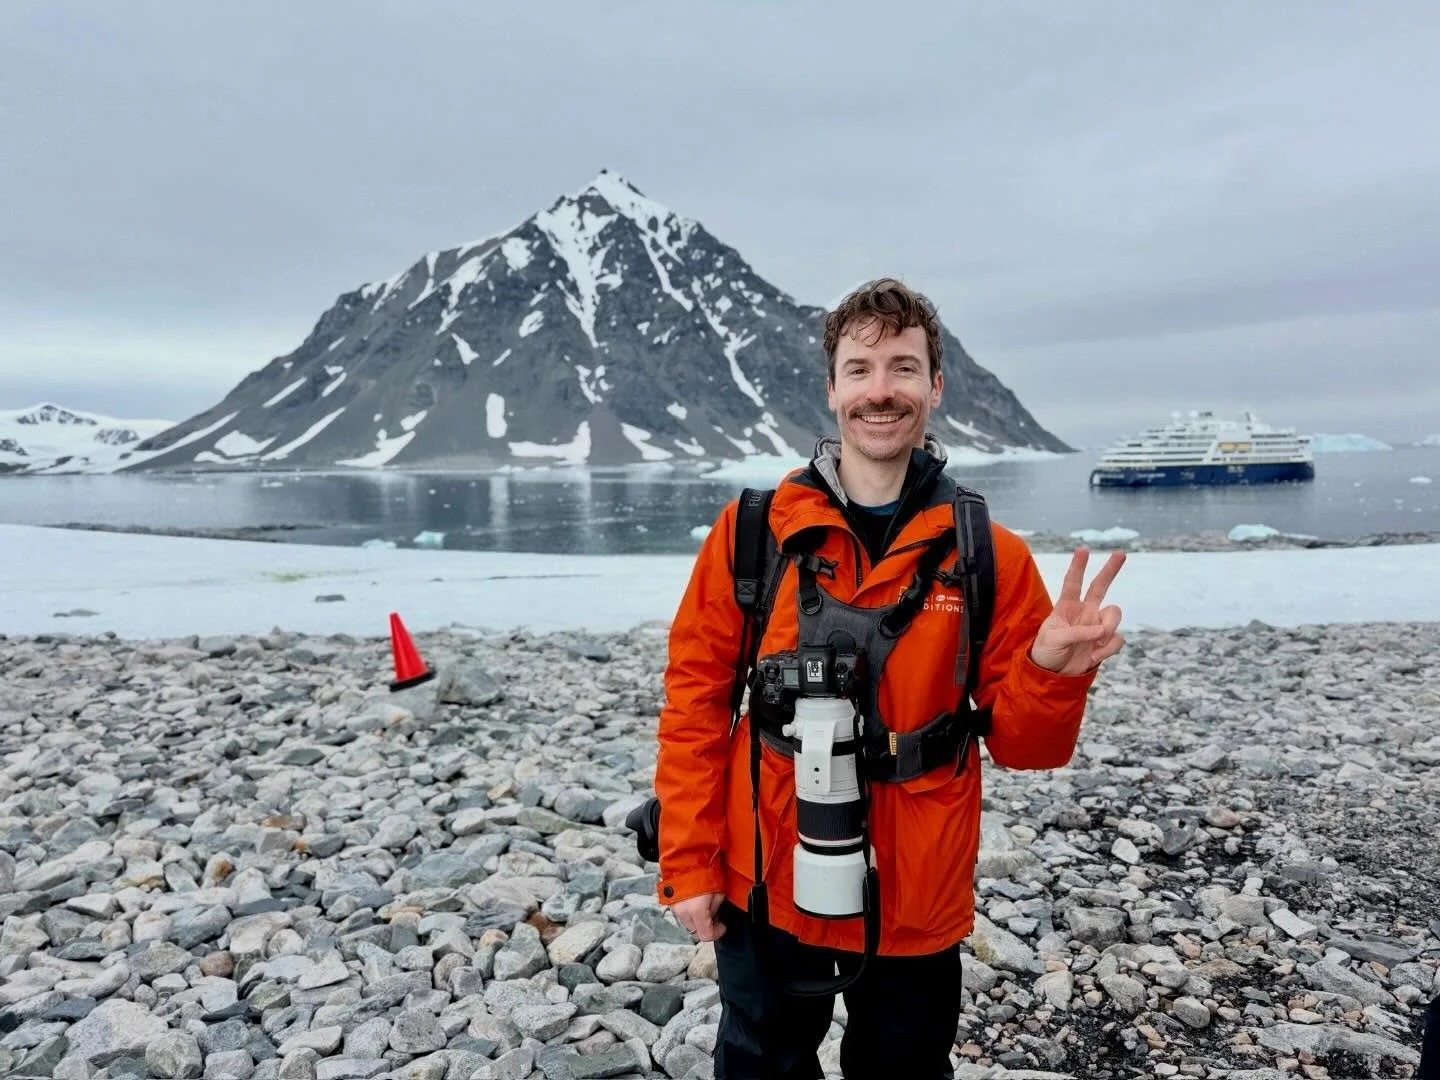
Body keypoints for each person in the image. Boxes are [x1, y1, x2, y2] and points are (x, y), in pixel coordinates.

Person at [651, 278, 1127, 1079]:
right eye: (861, 368)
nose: (881, 391)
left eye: (903, 369)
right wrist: (690, 864)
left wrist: (1049, 673)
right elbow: (695, 704)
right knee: (759, 1064)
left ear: (935, 387)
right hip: (765, 872)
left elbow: (1025, 747)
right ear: (833, 387)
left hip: (919, 888)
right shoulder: (751, 536)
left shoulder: (987, 555)